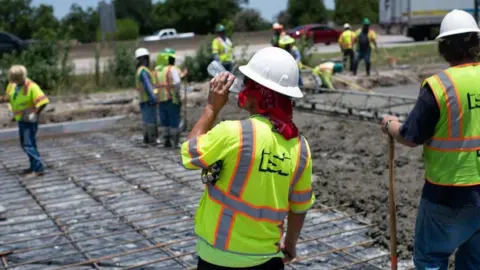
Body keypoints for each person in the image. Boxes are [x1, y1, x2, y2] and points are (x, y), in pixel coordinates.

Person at [180, 47, 315, 269]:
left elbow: (188, 154)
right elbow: (300, 205)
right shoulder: (300, 147)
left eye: (248, 84)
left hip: (219, 258)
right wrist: (290, 244)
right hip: (268, 260)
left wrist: (212, 107)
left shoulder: (233, 133)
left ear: (258, 93)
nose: (242, 88)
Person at [381, 9, 480, 269]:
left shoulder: (439, 86)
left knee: (430, 259)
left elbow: (410, 136)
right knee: (474, 261)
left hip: (448, 193)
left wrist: (391, 125)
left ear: (443, 47)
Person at [5, 65, 49, 178]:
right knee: (25, 144)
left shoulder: (32, 87)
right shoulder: (12, 85)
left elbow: (44, 101)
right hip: (21, 119)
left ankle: (38, 169)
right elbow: (8, 97)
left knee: (28, 145)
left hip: (29, 120)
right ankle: (33, 166)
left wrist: (35, 114)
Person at [154, 48, 187, 148]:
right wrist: (178, 94)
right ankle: (176, 142)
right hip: (172, 99)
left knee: (164, 121)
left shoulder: (158, 70)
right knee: (174, 121)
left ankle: (166, 141)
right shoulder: (172, 69)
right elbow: (177, 82)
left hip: (161, 99)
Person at [135, 47, 158, 145]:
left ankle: (146, 139)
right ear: (145, 59)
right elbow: (148, 86)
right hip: (148, 100)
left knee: (146, 120)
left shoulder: (139, 71)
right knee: (151, 121)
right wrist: (153, 98)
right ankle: (151, 140)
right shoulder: (144, 71)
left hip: (142, 100)